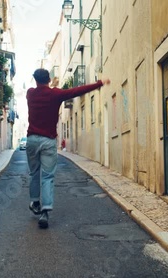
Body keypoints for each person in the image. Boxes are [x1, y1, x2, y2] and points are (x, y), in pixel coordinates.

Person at [26, 68, 110, 228]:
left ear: (35, 80)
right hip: (48, 141)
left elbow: (36, 91)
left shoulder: (30, 93)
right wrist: (99, 83)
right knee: (47, 176)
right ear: (49, 80)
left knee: (34, 173)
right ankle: (45, 211)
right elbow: (76, 91)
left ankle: (35, 202)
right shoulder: (55, 94)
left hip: (31, 140)